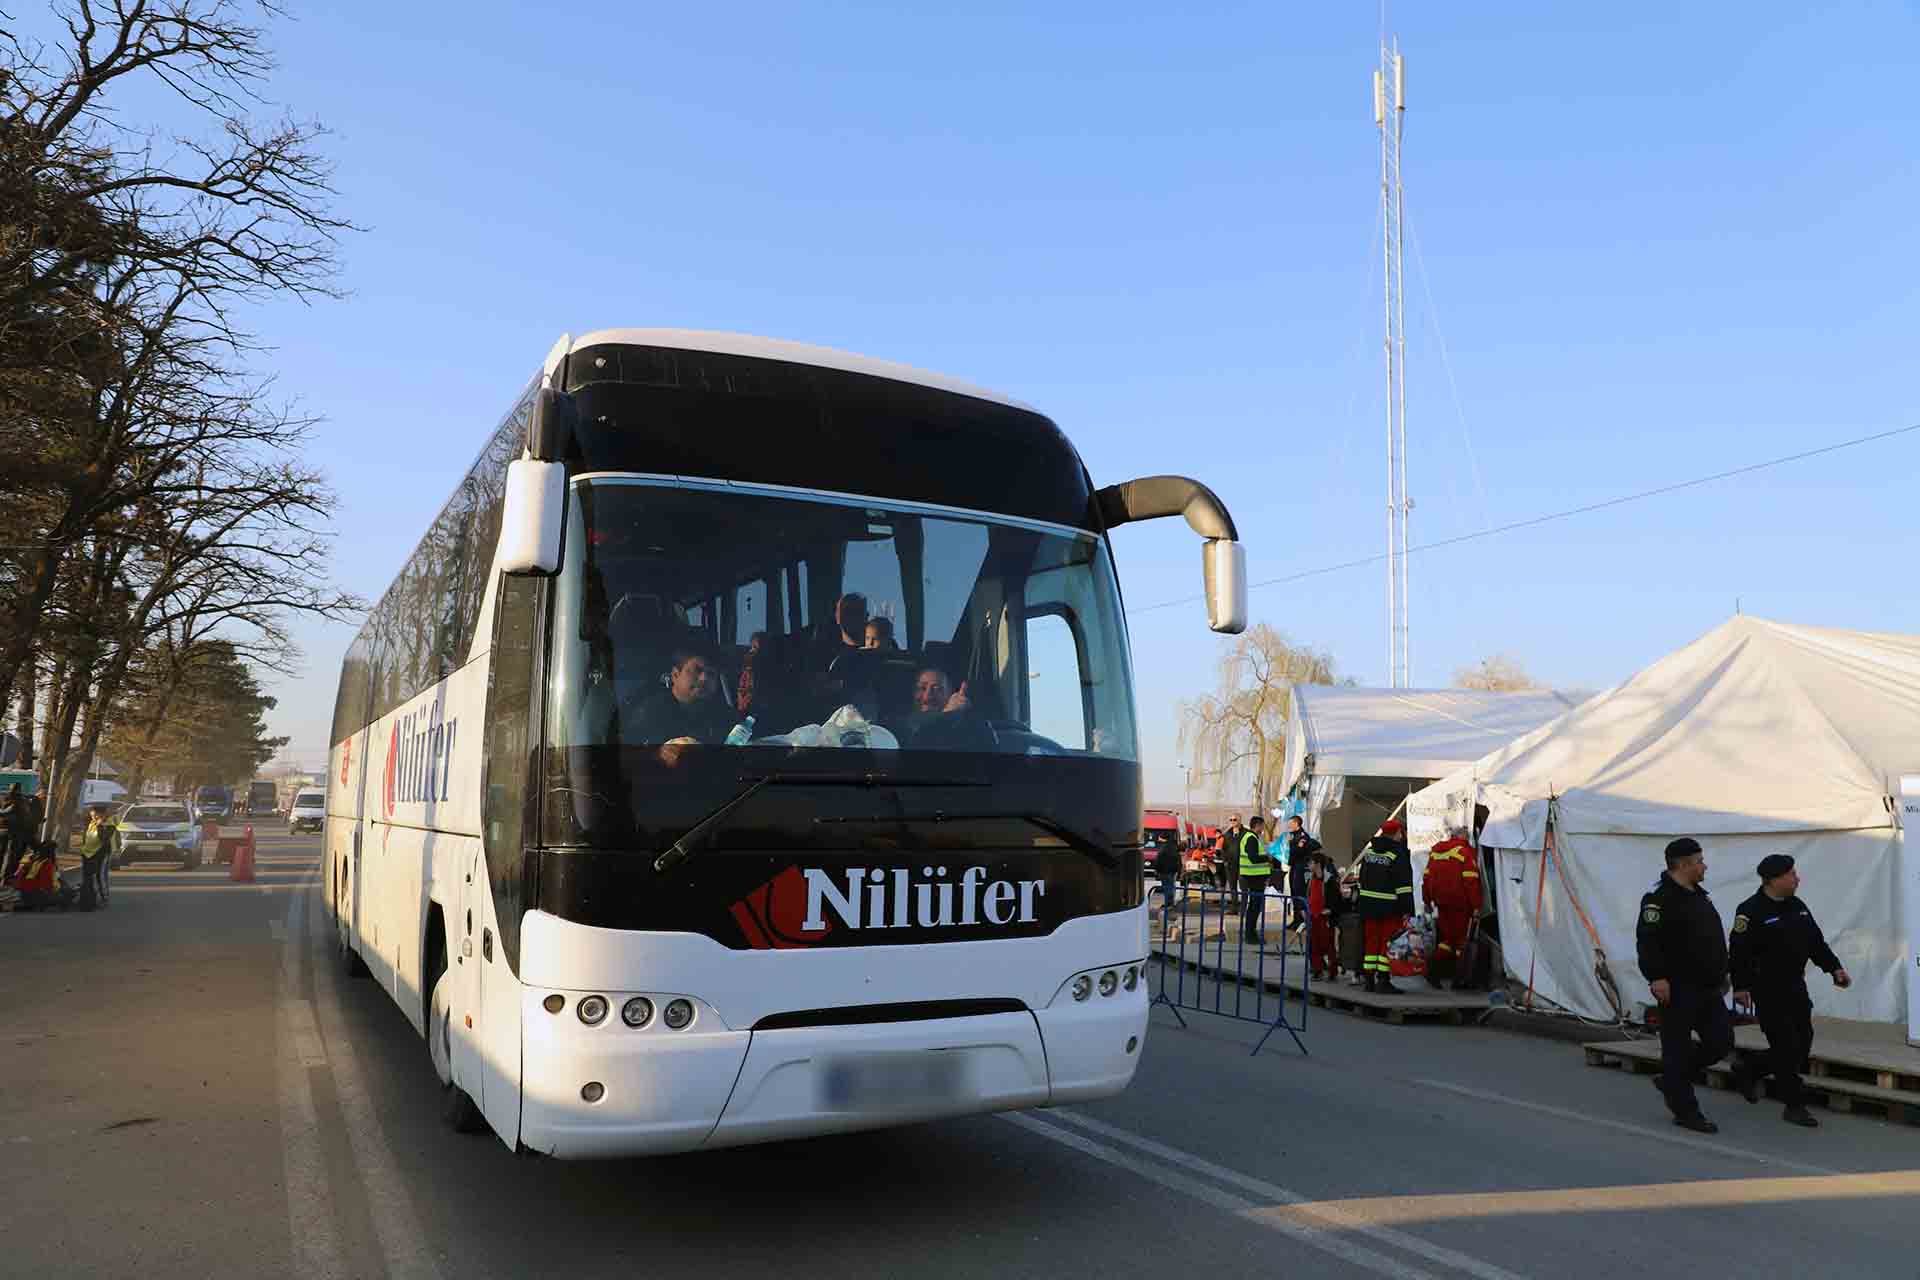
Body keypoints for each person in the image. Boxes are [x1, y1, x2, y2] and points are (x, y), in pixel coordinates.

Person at [1729, 854, 1852, 1128]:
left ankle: (1750, 1069)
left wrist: (1834, 968)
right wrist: (1741, 987)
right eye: (1791, 874)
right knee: (1785, 1045)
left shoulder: (1798, 907)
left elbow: (1815, 942)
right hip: (1767, 988)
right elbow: (1738, 952)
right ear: (1773, 880)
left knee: (1802, 1041)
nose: (1797, 879)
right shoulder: (1750, 910)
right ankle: (1794, 1105)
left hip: (1795, 985)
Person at [1636, 836, 1735, 1134]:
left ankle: (1672, 1080)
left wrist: (1722, 974)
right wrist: (1657, 977)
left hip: (1708, 987)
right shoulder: (1658, 900)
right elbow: (1648, 942)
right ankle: (1686, 1110)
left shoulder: (1699, 895)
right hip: (1677, 988)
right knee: (1677, 1049)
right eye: (1700, 861)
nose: (1704, 866)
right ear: (1684, 865)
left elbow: (1711, 940)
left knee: (1721, 1042)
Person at [623, 647, 735, 744]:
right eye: (697, 670)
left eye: (711, 673)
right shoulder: (648, 713)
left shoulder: (724, 715)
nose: (704, 678)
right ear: (675, 675)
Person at [1356, 818, 1414, 994]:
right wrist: (1407, 909)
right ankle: (1383, 980)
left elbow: (1362, 879)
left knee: (1371, 942)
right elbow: (1403, 885)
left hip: (1367, 904)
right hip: (1390, 906)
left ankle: (1368, 980)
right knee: (1386, 943)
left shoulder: (1370, 853)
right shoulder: (1398, 854)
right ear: (1397, 833)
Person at [1422, 828, 1483, 988]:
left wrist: (1427, 901)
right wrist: (1477, 905)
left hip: (1442, 903)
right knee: (1462, 940)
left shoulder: (1435, 853)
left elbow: (1427, 878)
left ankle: (1432, 972)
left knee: (1448, 939)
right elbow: (1471, 881)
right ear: (1463, 837)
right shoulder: (1465, 852)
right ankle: (1459, 980)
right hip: (1461, 903)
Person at [1284, 815, 1322, 941]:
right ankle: (1296, 919)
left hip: (1300, 868)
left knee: (1299, 893)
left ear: (1296, 823)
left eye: (1291, 823)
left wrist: (1296, 846)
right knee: (1294, 894)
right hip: (1294, 867)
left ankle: (1302, 921)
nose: (1289, 825)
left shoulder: (1303, 837)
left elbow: (1298, 852)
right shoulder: (1294, 836)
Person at [1237, 815, 1272, 946]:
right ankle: (1250, 935)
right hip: (1253, 878)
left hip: (1254, 877)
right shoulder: (1251, 838)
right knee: (1254, 908)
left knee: (1254, 907)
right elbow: (1253, 858)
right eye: (1262, 826)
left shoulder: (1252, 837)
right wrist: (1267, 858)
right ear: (1257, 825)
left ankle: (1251, 934)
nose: (1263, 828)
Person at [78, 804, 116, 909]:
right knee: (87, 877)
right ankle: (89, 897)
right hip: (87, 853)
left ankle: (104, 898)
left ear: (103, 815)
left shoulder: (109, 825)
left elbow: (103, 839)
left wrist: (100, 826)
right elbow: (86, 837)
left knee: (100, 875)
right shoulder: (89, 823)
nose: (94, 818)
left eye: (97, 816)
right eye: (92, 815)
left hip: (101, 854)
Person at [1217, 815, 1244, 898]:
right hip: (1230, 865)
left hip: (1243, 864)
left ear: (1240, 820)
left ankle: (1244, 907)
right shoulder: (1226, 835)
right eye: (1231, 820)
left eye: (1235, 819)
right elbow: (1221, 849)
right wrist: (1225, 860)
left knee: (1244, 887)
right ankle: (1234, 908)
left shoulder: (1246, 833)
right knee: (1233, 888)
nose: (1232, 821)